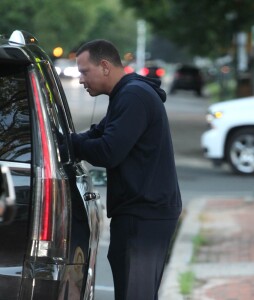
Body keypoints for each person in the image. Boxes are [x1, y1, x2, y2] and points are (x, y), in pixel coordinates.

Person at [71, 39, 182, 300]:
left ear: (105, 66)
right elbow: (97, 133)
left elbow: (109, 151)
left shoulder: (133, 96)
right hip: (140, 213)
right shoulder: (126, 94)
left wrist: (69, 144)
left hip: (145, 216)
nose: (80, 80)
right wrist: (67, 141)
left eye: (84, 72)